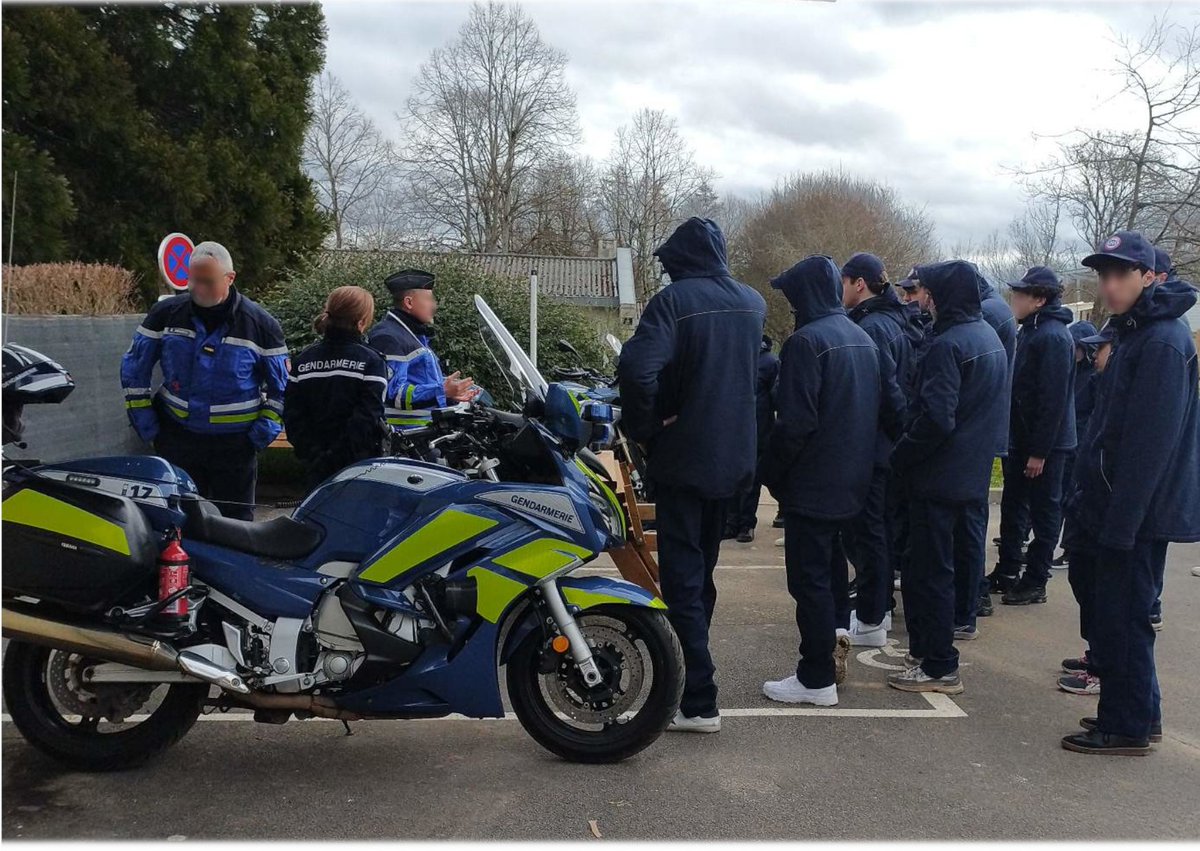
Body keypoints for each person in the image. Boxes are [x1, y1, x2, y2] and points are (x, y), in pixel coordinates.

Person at [618, 217, 766, 733]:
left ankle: (698, 699)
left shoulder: (675, 303)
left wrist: (646, 427)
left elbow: (637, 370)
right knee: (701, 575)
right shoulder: (752, 302)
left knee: (681, 578)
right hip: (734, 458)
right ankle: (693, 681)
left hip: (685, 457)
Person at [1060, 231, 1200, 756]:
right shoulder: (1136, 332)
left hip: (1134, 514)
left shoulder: (1162, 341)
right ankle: (1141, 713)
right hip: (1113, 505)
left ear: (1148, 276)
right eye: (1104, 275)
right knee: (1118, 616)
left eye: (1121, 274)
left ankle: (1125, 726)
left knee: (1123, 620)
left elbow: (1149, 448)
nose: (1110, 284)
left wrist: (1120, 525)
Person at [758, 255, 880, 706]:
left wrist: (770, 471)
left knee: (807, 579)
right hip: (853, 478)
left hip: (813, 481)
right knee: (831, 570)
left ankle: (815, 676)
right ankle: (836, 636)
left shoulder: (806, 342)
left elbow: (795, 424)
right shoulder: (861, 337)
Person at [887, 260, 1008, 694]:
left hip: (938, 478)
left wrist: (900, 458)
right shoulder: (989, 337)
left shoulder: (948, 344)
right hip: (969, 474)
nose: (925, 300)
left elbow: (936, 419)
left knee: (928, 572)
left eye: (930, 292)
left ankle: (937, 663)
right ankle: (933, 652)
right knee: (948, 567)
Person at [120, 241, 287, 521]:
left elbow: (282, 389)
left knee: (235, 528)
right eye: (193, 280)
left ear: (229, 278)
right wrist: (150, 429)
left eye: (207, 281)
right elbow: (134, 370)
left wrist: (257, 437)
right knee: (176, 522)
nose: (197, 289)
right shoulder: (166, 314)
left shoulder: (260, 325)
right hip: (177, 439)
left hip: (235, 448)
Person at [839, 253, 921, 648]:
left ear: (859, 284)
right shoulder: (891, 321)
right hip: (884, 444)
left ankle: (873, 616)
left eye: (844, 281)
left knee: (869, 532)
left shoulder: (872, 327)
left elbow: (886, 394)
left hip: (873, 446)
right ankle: (877, 610)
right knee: (876, 532)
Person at [990, 267, 1077, 607]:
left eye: (1021, 294)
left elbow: (1052, 401)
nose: (1015, 299)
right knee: (1014, 507)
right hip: (1022, 439)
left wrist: (1039, 452)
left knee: (1044, 513)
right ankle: (1009, 568)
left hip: (1047, 446)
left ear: (1039, 299)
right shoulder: (1030, 331)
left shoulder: (1053, 336)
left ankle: (1036, 578)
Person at [283, 286, 389, 488]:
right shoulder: (371, 361)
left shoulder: (304, 360)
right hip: (357, 466)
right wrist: (338, 457)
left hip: (314, 466)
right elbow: (367, 417)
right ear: (362, 322)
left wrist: (315, 457)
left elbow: (293, 415)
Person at [1056, 321, 1111, 697]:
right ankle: (1095, 654)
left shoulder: (1105, 383)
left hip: (1100, 498)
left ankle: (1102, 666)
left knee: (1101, 594)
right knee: (1082, 580)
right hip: (1083, 483)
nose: (1093, 354)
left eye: (1100, 347)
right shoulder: (1090, 378)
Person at [367, 269, 479, 431]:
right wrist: (441, 390)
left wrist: (450, 393)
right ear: (409, 303)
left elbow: (421, 385)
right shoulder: (389, 337)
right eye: (429, 299)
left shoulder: (412, 335)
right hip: (403, 440)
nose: (434, 306)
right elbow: (394, 394)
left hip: (423, 435)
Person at [975, 271, 1017, 618]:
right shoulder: (996, 311)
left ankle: (977, 595)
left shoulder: (988, 315)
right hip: (985, 431)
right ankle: (978, 592)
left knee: (971, 519)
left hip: (978, 434)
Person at [1051, 319, 1098, 569]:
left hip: (1082, 444)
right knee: (1060, 497)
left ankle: (1070, 549)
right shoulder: (1072, 370)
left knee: (1073, 498)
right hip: (1069, 442)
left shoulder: (1092, 375)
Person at [724, 334, 779, 543]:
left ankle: (746, 524)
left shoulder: (769, 362)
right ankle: (731, 522)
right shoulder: (733, 357)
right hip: (732, 430)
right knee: (731, 478)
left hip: (758, 431)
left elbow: (777, 398)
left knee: (752, 480)